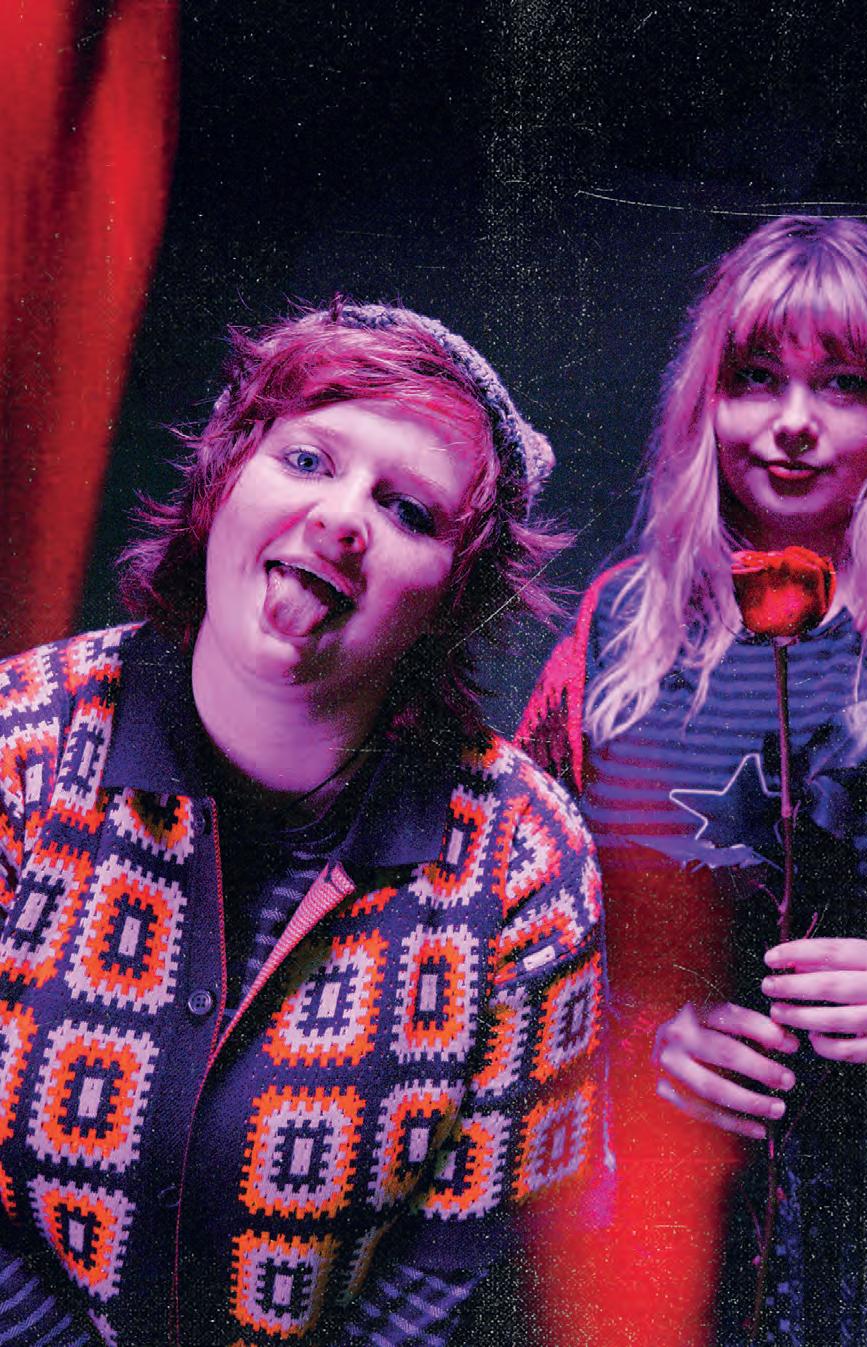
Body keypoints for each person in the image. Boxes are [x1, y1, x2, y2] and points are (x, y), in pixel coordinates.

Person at [0, 300, 605, 1347]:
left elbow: (474, 1270)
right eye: (309, 460)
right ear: (225, 478)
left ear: (454, 598)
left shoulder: (526, 867)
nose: (341, 518)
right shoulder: (24, 744)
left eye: (409, 510)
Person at [518, 216, 867, 1345]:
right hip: (666, 1237)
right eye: (755, 380)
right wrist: (635, 1034)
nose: (792, 422)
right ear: (707, 401)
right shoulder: (618, 630)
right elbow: (508, 914)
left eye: (842, 384)